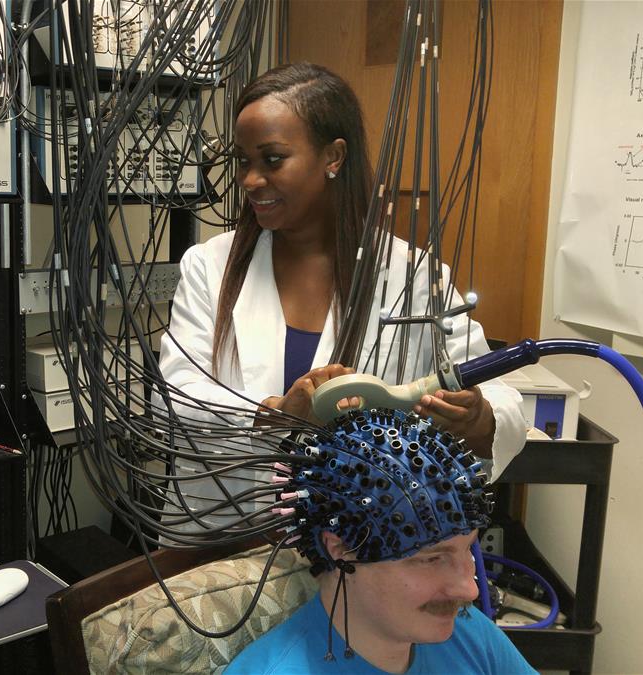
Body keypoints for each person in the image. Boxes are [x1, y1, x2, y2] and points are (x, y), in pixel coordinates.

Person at [157, 63, 526, 534]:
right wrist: (273, 414)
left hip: (357, 545)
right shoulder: (211, 266)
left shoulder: (409, 274)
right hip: (222, 534)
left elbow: (495, 391)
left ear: (333, 157)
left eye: (271, 160)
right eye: (243, 162)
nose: (250, 180)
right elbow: (174, 395)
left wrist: (477, 417)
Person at [224, 408, 536, 674]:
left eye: (467, 549)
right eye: (432, 558)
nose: (470, 589)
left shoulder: (468, 633)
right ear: (340, 549)